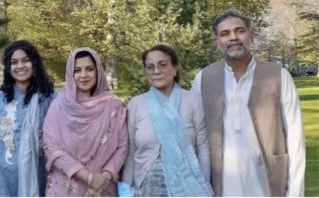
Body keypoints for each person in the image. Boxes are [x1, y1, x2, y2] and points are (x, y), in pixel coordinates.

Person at [191, 10, 306, 197]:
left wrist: (294, 193)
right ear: (217, 42)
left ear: (251, 35)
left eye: (239, 30)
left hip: (268, 183)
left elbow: (295, 138)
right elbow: (192, 131)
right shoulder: (203, 78)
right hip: (221, 185)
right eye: (225, 33)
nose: (233, 37)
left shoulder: (278, 75)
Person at [121, 44, 214, 197]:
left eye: (162, 65)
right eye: (150, 67)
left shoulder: (193, 101)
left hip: (190, 185)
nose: (156, 71)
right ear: (145, 72)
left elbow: (203, 147)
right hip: (147, 186)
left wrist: (204, 185)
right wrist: (125, 189)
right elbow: (131, 151)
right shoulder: (135, 104)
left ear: (175, 68)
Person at [0, 40, 55, 196]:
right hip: (0, 181)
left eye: (26, 60)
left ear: (35, 63)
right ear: (8, 68)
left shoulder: (50, 99)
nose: (20, 66)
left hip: (40, 179)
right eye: (14, 62)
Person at [43, 47, 128, 197]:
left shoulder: (113, 105)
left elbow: (122, 146)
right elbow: (51, 147)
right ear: (71, 73)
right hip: (65, 188)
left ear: (98, 71)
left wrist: (103, 178)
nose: (83, 75)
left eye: (89, 69)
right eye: (77, 70)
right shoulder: (59, 106)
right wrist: (88, 178)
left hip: (102, 188)